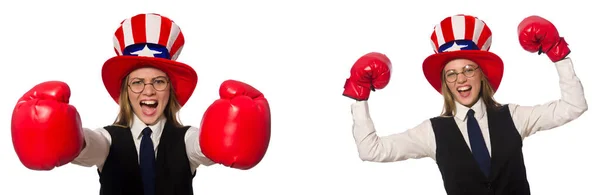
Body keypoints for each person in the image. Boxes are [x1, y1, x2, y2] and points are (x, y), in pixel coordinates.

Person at [11, 13, 271, 195]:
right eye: (137, 83)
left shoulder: (188, 139)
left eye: (159, 81)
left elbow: (203, 146)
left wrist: (232, 131)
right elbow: (87, 145)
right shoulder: (107, 140)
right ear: (126, 91)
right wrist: (58, 132)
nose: (148, 90)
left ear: (170, 91)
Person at [342, 14, 587, 194]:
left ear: (482, 74)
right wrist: (358, 95)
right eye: (452, 73)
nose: (461, 78)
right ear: (445, 82)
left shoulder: (514, 116)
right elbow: (370, 150)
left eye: (469, 69)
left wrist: (558, 54)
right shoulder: (432, 132)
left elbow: (574, 105)